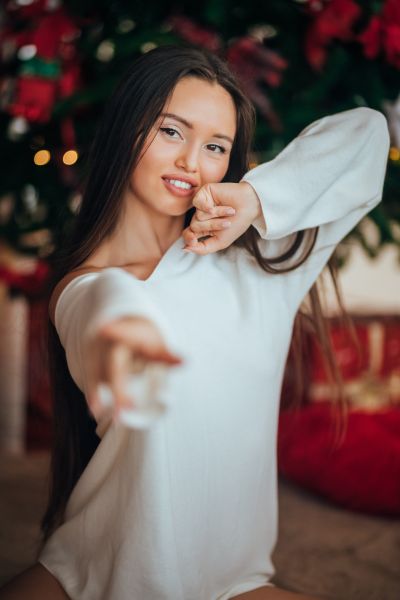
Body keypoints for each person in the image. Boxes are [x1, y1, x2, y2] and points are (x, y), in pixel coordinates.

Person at [0, 44, 389, 600]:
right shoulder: (83, 289)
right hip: (87, 574)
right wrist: (126, 342)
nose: (191, 163)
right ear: (127, 131)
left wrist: (255, 200)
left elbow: (368, 134)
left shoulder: (264, 268)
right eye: (171, 132)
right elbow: (107, 312)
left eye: (215, 146)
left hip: (231, 584)